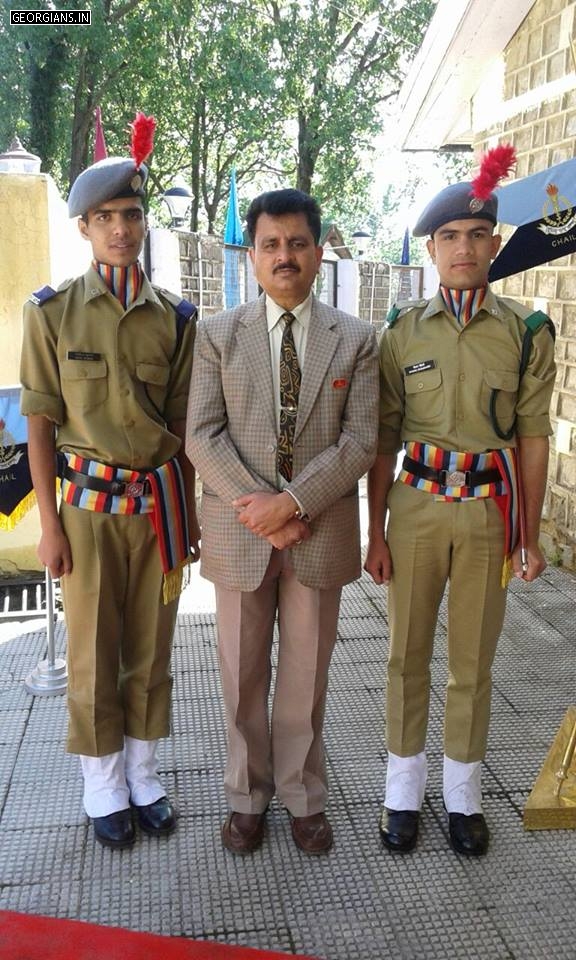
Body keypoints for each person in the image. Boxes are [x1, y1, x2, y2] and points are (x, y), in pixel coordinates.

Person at [364, 170, 556, 857]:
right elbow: (384, 436)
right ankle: (401, 794)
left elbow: (534, 436)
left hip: (485, 514)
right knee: (405, 655)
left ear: (497, 242)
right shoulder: (402, 331)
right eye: (450, 236)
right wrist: (375, 530)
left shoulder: (526, 332)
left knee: (474, 662)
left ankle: (464, 799)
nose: (465, 248)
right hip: (415, 509)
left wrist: (527, 533)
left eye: (478, 235)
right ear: (431, 249)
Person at [20, 128, 200, 850]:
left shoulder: (178, 320)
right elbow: (39, 421)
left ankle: (144, 773)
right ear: (85, 229)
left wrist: (191, 519)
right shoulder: (52, 312)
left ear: (143, 221)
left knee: (152, 647)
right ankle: (102, 787)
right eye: (105, 219)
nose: (120, 229)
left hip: (158, 512)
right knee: (93, 650)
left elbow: (187, 428)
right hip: (88, 512)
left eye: (131, 215)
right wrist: (49, 526)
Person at [186, 188, 378, 855]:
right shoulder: (215, 335)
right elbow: (202, 436)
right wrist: (265, 513)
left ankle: (301, 796)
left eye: (297, 242)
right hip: (242, 536)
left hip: (318, 532)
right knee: (240, 677)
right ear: (253, 255)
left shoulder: (356, 340)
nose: (285, 256)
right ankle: (246, 797)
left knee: (306, 677)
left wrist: (294, 504)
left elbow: (360, 442)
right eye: (271, 244)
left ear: (319, 253)